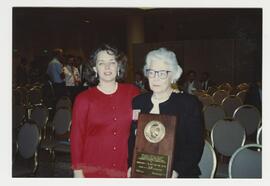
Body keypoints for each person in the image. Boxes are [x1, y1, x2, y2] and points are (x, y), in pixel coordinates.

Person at [128, 48, 204, 178]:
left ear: (173, 76)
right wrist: (131, 165)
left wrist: (176, 171)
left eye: (162, 73)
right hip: (142, 172)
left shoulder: (188, 104)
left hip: (178, 174)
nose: (155, 78)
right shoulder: (138, 102)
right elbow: (132, 140)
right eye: (151, 72)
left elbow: (195, 146)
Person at [70, 44, 140, 178]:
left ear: (118, 66)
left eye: (112, 62)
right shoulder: (83, 99)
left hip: (125, 169)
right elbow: (76, 138)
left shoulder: (133, 93)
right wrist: (78, 172)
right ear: (95, 68)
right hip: (93, 169)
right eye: (101, 63)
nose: (107, 67)